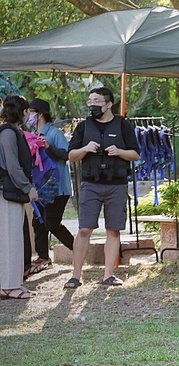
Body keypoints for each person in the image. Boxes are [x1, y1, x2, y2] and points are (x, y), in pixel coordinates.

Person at [66, 86, 139, 288]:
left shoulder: (123, 125)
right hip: (91, 184)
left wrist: (120, 152)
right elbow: (71, 156)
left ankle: (108, 275)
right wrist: (85, 149)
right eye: (90, 101)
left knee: (113, 230)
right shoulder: (83, 127)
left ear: (108, 104)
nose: (92, 105)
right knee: (84, 229)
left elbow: (135, 154)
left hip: (117, 185)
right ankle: (75, 276)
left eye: (97, 101)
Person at [26, 99, 73, 276]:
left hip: (58, 187)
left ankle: (77, 249)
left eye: (31, 112)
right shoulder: (31, 133)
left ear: (39, 113)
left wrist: (48, 146)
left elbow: (67, 155)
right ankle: (43, 257)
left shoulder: (54, 133)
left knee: (52, 222)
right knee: (38, 222)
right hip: (38, 187)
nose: (28, 115)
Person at [1, 95, 39, 301]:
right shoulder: (8, 133)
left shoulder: (12, 131)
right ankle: (8, 285)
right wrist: (28, 188)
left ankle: (13, 283)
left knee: (15, 236)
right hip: (8, 192)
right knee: (9, 238)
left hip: (11, 191)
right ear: (23, 113)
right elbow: (12, 166)